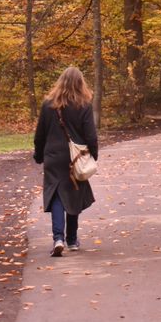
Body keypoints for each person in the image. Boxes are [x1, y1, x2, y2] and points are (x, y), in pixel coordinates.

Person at [33, 66, 99, 256]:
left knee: (56, 195)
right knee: (73, 194)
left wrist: (39, 155)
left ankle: (58, 239)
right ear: (80, 83)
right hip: (75, 158)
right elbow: (91, 135)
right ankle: (71, 239)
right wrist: (93, 155)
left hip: (53, 156)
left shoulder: (48, 104)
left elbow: (40, 134)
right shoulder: (84, 104)